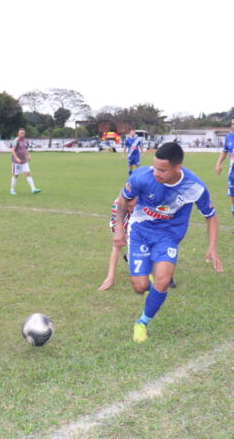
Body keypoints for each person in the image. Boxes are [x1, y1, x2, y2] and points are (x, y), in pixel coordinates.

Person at [113, 142, 223, 343]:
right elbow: (123, 199)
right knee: (140, 286)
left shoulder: (194, 187)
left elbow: (211, 216)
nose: (156, 173)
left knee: (163, 279)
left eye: (162, 170)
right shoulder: (141, 177)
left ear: (177, 167)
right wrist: (120, 228)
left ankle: (141, 323)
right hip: (140, 231)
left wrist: (212, 248)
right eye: (155, 167)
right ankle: (149, 281)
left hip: (168, 236)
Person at [97, 197, 176, 291]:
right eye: (129, 206)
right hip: (127, 220)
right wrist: (110, 277)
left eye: (134, 205)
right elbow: (116, 247)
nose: (132, 207)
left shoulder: (148, 201)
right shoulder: (119, 208)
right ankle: (132, 256)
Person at [10, 128, 41, 195]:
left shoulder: (26, 141)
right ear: (18, 133)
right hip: (16, 162)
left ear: (25, 133)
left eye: (23, 133)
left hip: (24, 161)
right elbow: (12, 150)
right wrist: (17, 158)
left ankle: (33, 189)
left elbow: (25, 149)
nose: (22, 134)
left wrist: (28, 155)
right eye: (21, 133)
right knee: (16, 175)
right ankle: (12, 189)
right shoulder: (15, 141)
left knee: (28, 173)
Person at [215, 118, 234, 223]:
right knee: (233, 200)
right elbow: (225, 151)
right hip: (233, 174)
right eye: (233, 124)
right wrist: (219, 163)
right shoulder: (229, 137)